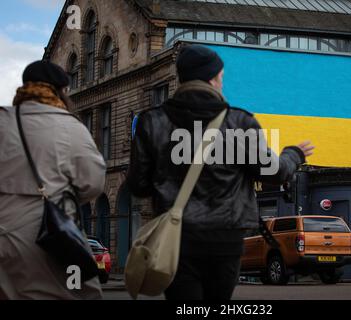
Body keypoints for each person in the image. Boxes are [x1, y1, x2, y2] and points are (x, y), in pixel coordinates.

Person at [127, 45, 314, 301]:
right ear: (213, 78)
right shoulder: (239, 122)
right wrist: (294, 154)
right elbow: (275, 171)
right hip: (225, 237)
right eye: (221, 78)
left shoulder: (152, 121)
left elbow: (138, 184)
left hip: (176, 238)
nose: (222, 84)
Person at [0, 61, 106, 300]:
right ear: (62, 91)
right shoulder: (70, 127)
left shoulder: (3, 120)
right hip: (46, 234)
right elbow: (93, 182)